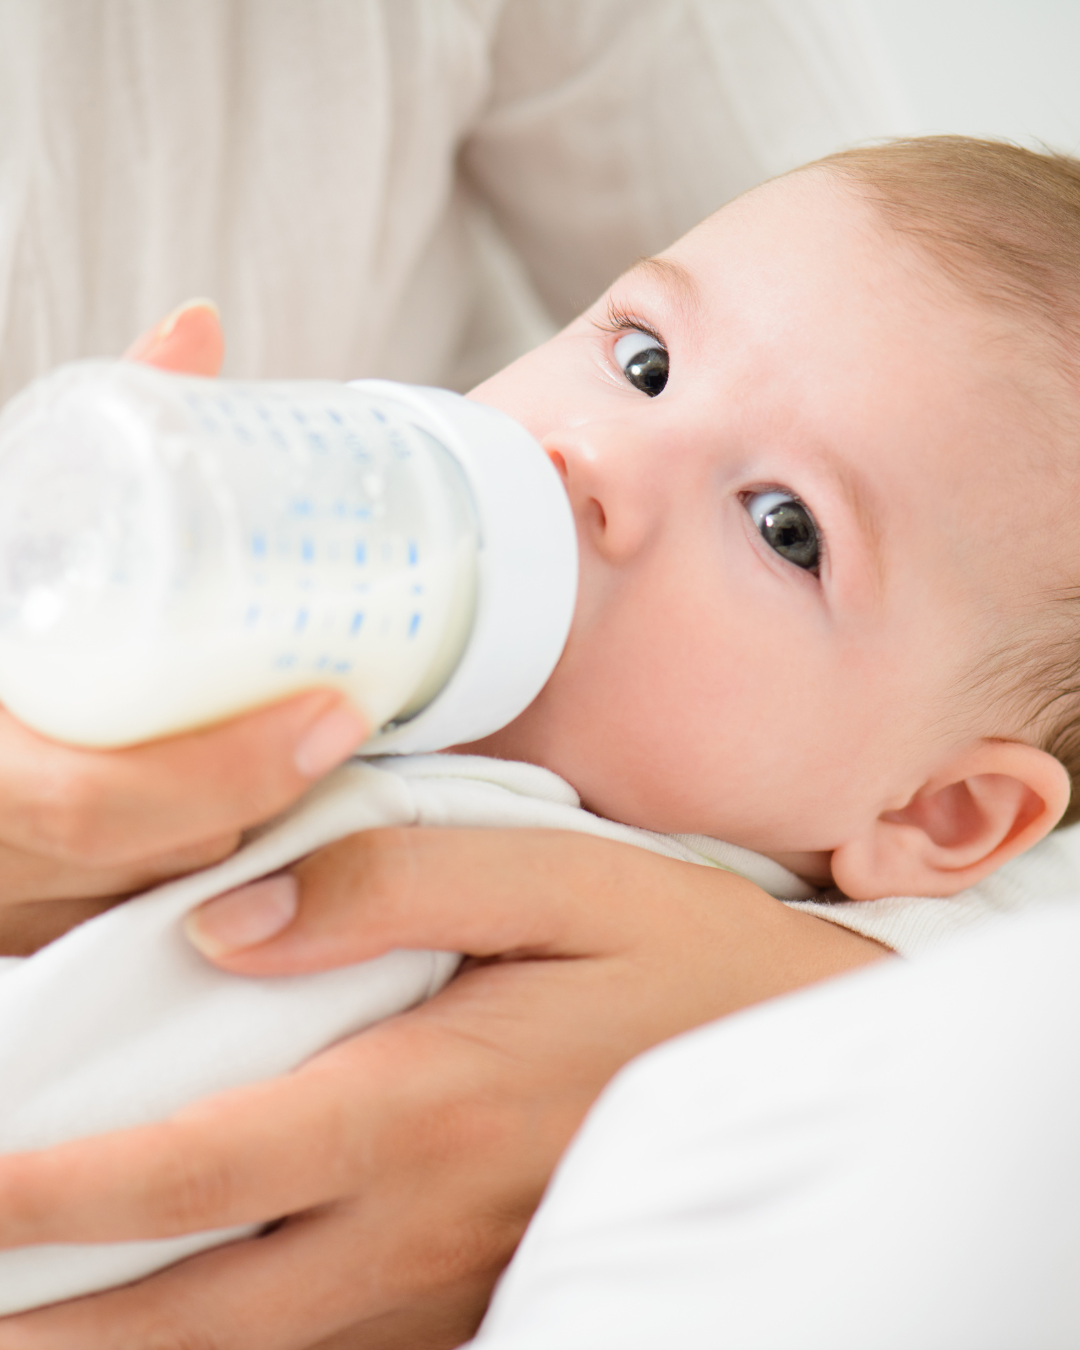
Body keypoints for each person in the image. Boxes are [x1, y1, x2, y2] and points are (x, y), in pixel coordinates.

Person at [5, 132, 1080, 1335]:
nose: (593, 462)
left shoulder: (474, 897)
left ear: (937, 815)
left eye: (785, 527)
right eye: (644, 360)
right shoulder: (325, 680)